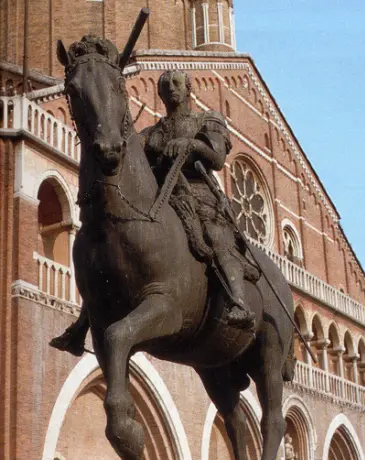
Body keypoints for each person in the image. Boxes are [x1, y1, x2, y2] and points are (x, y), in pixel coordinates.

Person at [51, 70, 257, 356]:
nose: (170, 88)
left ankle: (239, 303)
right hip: (163, 199)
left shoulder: (205, 120)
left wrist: (191, 144)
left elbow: (218, 158)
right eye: (165, 85)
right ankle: (83, 323)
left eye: (176, 83)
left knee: (215, 235)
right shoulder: (152, 133)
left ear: (187, 89)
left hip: (199, 195)